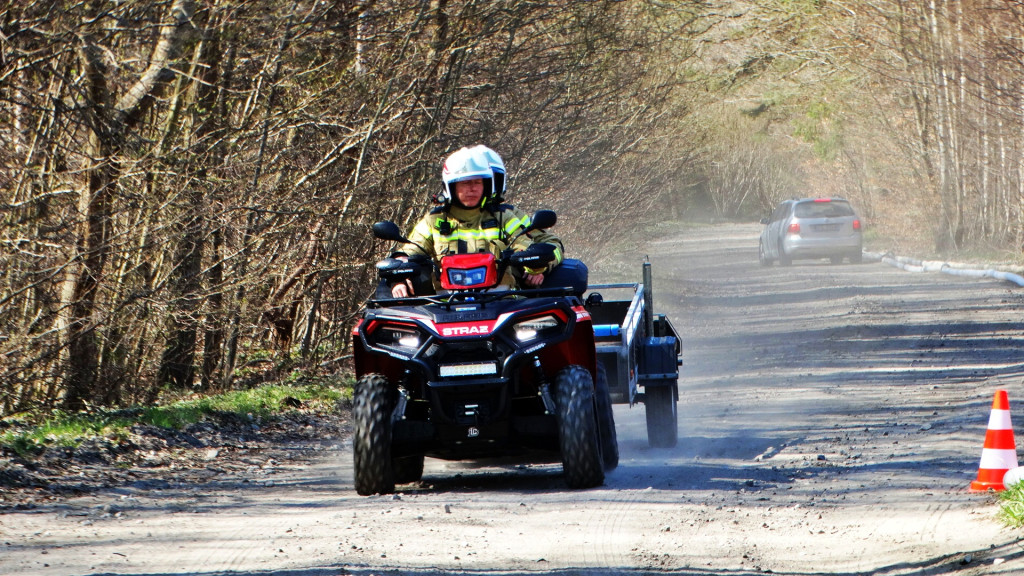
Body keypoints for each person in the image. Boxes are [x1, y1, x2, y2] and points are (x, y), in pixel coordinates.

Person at [390, 145, 565, 297]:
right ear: (451, 186)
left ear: (486, 185)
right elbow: (410, 250)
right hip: (444, 307)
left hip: (503, 302)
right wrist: (398, 275)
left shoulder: (504, 217)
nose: (472, 188)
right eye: (465, 183)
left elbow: (526, 245)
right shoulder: (433, 221)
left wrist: (536, 264)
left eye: (477, 182)